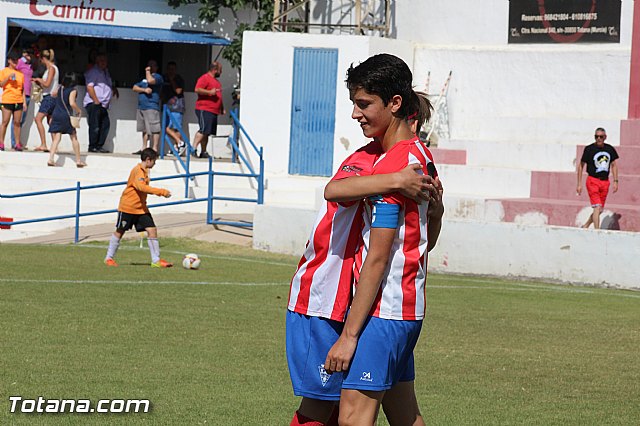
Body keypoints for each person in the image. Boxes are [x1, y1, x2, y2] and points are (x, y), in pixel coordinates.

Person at [286, 87, 442, 426]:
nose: (356, 114)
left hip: (353, 303)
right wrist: (429, 207)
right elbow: (422, 241)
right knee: (403, 413)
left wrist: (349, 336)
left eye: (364, 105)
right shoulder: (415, 161)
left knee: (339, 412)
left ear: (397, 106)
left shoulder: (398, 163)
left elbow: (378, 257)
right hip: (397, 308)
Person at [104, 148, 173, 268]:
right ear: (148, 160)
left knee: (152, 230)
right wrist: (161, 192)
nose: (154, 164)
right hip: (128, 207)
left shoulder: (145, 171)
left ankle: (156, 261)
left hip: (141, 208)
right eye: (154, 161)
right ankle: (109, 258)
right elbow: (141, 187)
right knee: (120, 231)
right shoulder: (138, 171)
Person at [576, 127, 619, 229]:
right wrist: (579, 184)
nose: (598, 139)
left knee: (599, 210)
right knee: (597, 207)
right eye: (596, 136)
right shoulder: (589, 149)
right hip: (592, 180)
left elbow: (614, 165)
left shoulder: (610, 149)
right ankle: (597, 232)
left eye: (601, 137)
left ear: (605, 137)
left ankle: (585, 225)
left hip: (605, 182)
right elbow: (581, 165)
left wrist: (616, 181)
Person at [46, 72, 86, 168]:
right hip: (65, 115)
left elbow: (54, 94)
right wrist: (79, 110)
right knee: (74, 137)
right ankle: (78, 160)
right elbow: (72, 103)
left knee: (56, 138)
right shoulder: (73, 90)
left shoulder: (60, 88)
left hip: (56, 114)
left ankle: (51, 158)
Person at [84, 53, 118, 153]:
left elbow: (105, 85)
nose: (104, 63)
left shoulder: (105, 72)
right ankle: (93, 146)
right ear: (97, 61)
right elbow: (90, 87)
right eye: (101, 60)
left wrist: (113, 89)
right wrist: (96, 101)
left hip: (103, 104)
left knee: (105, 125)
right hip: (95, 103)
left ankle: (98, 146)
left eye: (105, 61)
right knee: (95, 125)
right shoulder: (94, 72)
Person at [193, 61, 224, 159]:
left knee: (207, 132)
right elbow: (197, 89)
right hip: (204, 108)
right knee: (203, 129)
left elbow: (219, 95)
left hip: (213, 110)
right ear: (215, 70)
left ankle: (203, 151)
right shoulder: (205, 78)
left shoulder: (217, 82)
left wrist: (222, 107)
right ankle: (193, 149)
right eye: (220, 70)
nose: (221, 72)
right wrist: (209, 92)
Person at [132, 60, 164, 154]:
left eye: (152, 65)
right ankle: (144, 148)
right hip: (141, 107)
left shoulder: (158, 77)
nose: (150, 67)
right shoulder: (143, 80)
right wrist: (144, 90)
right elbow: (134, 87)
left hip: (151, 106)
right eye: (149, 65)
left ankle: (154, 149)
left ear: (156, 67)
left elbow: (150, 80)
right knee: (144, 129)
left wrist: (147, 71)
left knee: (155, 128)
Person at [32, 49, 59, 153]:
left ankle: (44, 144)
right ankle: (54, 145)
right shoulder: (52, 69)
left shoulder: (51, 68)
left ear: (43, 59)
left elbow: (47, 84)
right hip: (51, 97)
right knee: (51, 122)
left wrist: (39, 80)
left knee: (38, 119)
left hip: (49, 98)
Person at [0, 51, 27, 152]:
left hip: (18, 100)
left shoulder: (20, 74)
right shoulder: (4, 71)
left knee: (17, 122)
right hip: (7, 99)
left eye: (16, 60)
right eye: (13, 60)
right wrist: (8, 77)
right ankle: (1, 142)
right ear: (9, 60)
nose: (15, 62)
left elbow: (22, 89)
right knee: (5, 122)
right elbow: (1, 84)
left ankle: (17, 143)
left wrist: (24, 102)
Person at [10, 49, 34, 150]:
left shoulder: (30, 65)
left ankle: (17, 141)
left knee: (22, 120)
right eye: (28, 54)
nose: (30, 56)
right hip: (20, 93)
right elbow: (13, 70)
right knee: (16, 120)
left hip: (28, 94)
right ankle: (15, 142)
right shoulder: (20, 62)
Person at [161, 61, 187, 156]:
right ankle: (179, 145)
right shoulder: (164, 78)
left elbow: (178, 91)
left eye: (173, 69)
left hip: (177, 107)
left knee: (176, 129)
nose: (171, 71)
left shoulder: (179, 79)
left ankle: (178, 146)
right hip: (166, 107)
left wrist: (172, 80)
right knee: (165, 128)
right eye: (169, 69)